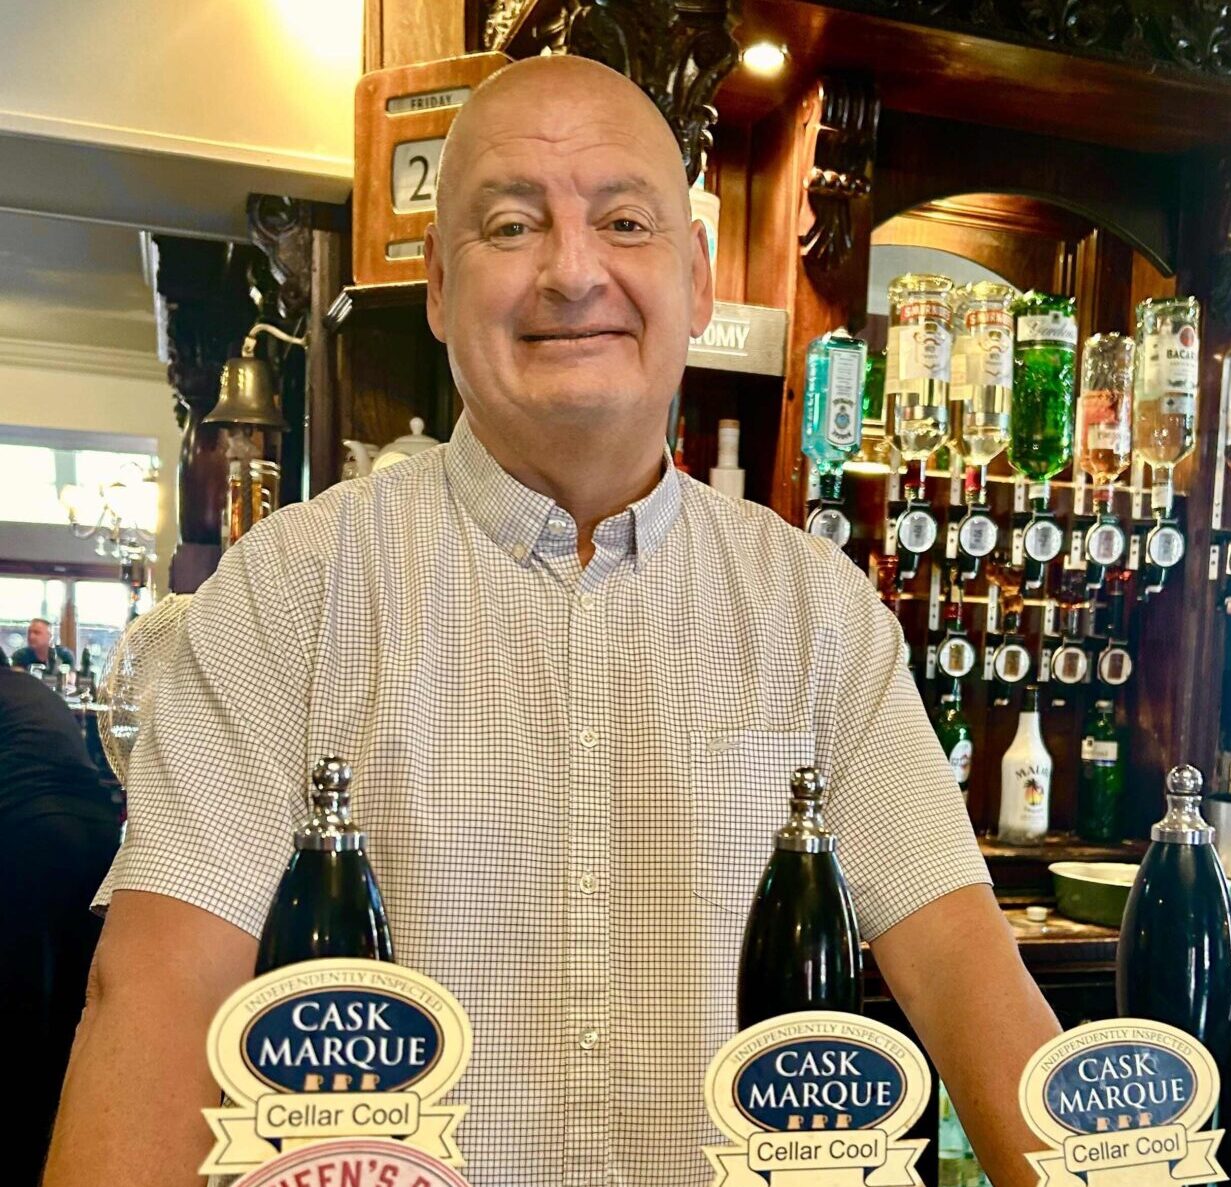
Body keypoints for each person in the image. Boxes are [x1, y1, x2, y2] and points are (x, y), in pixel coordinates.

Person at [44, 56, 1059, 1187]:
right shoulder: (289, 590)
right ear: (435, 282)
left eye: (623, 221)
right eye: (511, 225)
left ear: (694, 274)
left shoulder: (818, 612)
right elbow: (157, 996)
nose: (572, 272)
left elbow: (976, 987)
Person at [0, 665, 120, 1186]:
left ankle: (21, 1143)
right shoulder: (29, 689)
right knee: (75, 1003)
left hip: (28, 831)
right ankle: (61, 1124)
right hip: (94, 834)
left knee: (20, 999)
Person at [11, 618, 75, 672]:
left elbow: (70, 680)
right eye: (29, 632)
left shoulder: (64, 655)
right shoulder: (20, 655)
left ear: (49, 636)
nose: (31, 636)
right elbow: (18, 680)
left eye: (36, 633)